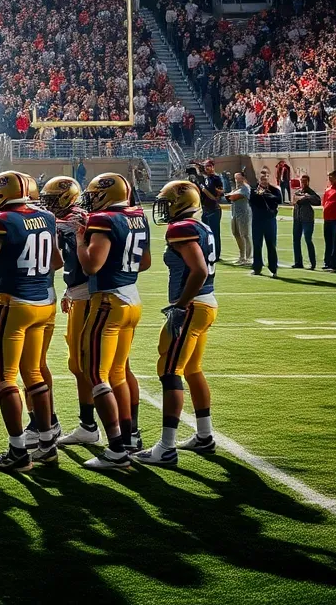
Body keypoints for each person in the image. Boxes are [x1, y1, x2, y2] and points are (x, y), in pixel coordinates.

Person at [0, 172, 62, 472]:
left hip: (15, 304)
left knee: (6, 378)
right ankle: (47, 444)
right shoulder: (46, 217)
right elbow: (56, 261)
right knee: (33, 373)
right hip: (45, 303)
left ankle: (18, 451)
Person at [135, 181, 220, 467]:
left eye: (167, 202)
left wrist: (181, 306)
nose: (163, 208)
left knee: (170, 370)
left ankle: (166, 448)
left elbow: (199, 270)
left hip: (193, 306)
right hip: (206, 304)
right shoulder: (202, 226)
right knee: (192, 369)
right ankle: (205, 436)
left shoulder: (180, 228)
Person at [76, 172, 151, 471]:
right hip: (132, 298)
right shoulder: (136, 217)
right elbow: (144, 263)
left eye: (94, 195)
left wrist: (81, 241)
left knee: (96, 374)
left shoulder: (104, 221)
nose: (91, 200)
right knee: (118, 372)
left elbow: (92, 264)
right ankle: (129, 437)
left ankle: (117, 449)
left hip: (108, 301)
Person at [39, 177, 99, 448]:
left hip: (88, 294)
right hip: (78, 291)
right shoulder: (68, 218)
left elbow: (70, 231)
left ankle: (92, 426)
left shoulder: (76, 217)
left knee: (82, 363)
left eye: (51, 199)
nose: (47, 204)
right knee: (79, 363)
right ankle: (89, 424)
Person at [250, 170, 281, 277]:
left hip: (269, 220)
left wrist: (266, 194)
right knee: (257, 244)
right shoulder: (253, 190)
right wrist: (259, 194)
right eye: (262, 179)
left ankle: (273, 269)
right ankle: (257, 267)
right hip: (257, 221)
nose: (264, 181)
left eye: (266, 178)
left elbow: (278, 200)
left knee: (271, 245)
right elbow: (252, 201)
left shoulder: (274, 190)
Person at [291, 175, 320, 270]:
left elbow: (318, 201)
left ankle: (313, 263)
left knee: (308, 239)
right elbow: (294, 201)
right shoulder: (298, 192)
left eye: (305, 181)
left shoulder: (311, 192)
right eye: (302, 181)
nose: (303, 183)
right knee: (296, 240)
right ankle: (298, 262)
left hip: (307, 219)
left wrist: (307, 197)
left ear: (308, 182)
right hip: (297, 219)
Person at [226, 173, 253, 266]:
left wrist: (230, 196)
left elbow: (232, 198)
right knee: (236, 234)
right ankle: (242, 256)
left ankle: (249, 258)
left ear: (243, 178)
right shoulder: (236, 188)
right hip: (234, 214)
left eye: (239, 178)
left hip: (244, 214)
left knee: (245, 235)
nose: (237, 180)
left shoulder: (245, 188)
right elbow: (229, 197)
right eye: (236, 178)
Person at [199, 160, 225, 257]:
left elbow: (221, 192)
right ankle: (207, 252)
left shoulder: (216, 178)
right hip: (205, 208)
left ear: (213, 167)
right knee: (205, 233)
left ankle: (216, 254)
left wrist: (209, 192)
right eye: (206, 166)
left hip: (213, 209)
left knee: (214, 233)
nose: (207, 168)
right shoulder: (206, 178)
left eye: (209, 166)